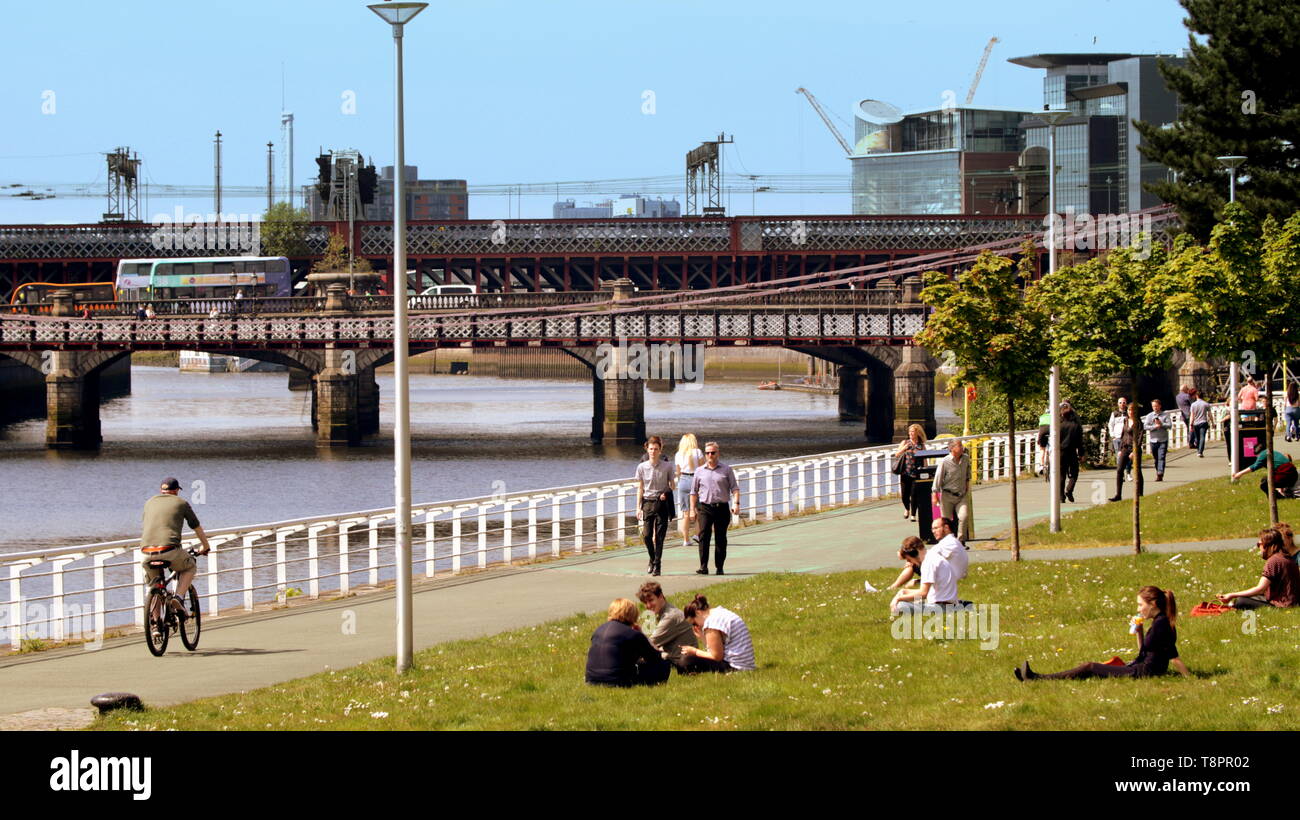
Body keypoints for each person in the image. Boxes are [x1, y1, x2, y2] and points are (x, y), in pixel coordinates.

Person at [1016, 586, 1190, 681]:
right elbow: (1144, 650)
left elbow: (1173, 656)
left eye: (1140, 605)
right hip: (1141, 667)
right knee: (1096, 668)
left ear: (1152, 604)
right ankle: (1037, 677)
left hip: (1144, 672)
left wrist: (1189, 678)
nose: (1138, 609)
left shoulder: (1162, 625)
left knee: (1091, 667)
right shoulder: (1159, 622)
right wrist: (1139, 631)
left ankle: (1039, 678)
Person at [139, 477, 212, 628]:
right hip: (169, 551)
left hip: (146, 552)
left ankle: (156, 623)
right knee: (189, 566)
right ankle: (178, 597)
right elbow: (196, 527)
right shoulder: (181, 503)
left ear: (161, 490)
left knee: (155, 584)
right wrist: (205, 546)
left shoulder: (149, 502)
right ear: (177, 490)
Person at [890, 517, 968, 616]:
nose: (911, 563)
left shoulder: (928, 562)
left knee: (901, 606)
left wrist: (898, 598)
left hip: (941, 607)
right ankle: (963, 605)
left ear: (915, 553)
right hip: (944, 603)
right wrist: (904, 592)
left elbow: (923, 593)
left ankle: (961, 606)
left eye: (909, 560)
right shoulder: (931, 557)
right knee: (904, 595)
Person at [584, 598, 670, 687]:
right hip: (617, 681)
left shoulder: (598, 630)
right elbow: (654, 658)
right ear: (632, 614)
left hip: (591, 680)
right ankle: (657, 685)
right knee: (664, 663)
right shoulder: (633, 634)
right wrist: (642, 635)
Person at [1216, 528, 1300, 609]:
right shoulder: (1286, 557)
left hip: (1282, 604)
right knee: (1251, 597)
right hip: (1293, 602)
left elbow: (1260, 589)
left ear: (1269, 546)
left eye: (1259, 544)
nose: (1258, 547)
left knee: (1240, 601)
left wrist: (1232, 595)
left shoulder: (1273, 561)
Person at [690, 441, 740, 576]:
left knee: (720, 538)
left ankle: (719, 567)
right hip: (705, 508)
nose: (710, 455)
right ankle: (703, 566)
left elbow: (734, 488)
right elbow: (693, 492)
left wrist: (736, 503)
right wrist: (692, 509)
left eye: (713, 452)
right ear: (705, 455)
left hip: (722, 507)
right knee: (703, 536)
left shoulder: (726, 469)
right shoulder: (699, 471)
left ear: (718, 453)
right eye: (707, 453)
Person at [678, 594, 756, 673]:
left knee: (686, 660)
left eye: (694, 623)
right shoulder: (719, 612)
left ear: (698, 613)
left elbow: (716, 656)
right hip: (745, 664)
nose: (696, 626)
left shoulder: (711, 623)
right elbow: (715, 650)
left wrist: (694, 651)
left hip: (735, 667)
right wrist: (703, 638)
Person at [635, 436, 675, 576]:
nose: (653, 452)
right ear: (647, 449)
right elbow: (640, 488)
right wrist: (638, 507)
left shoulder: (667, 466)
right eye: (651, 449)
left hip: (662, 503)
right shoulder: (641, 467)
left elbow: (672, 485)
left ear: (660, 450)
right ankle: (652, 559)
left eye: (656, 449)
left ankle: (657, 565)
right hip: (647, 502)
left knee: (659, 536)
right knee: (646, 536)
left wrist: (666, 492)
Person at [636, 581, 698, 672]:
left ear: (660, 596)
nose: (648, 606)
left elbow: (648, 645)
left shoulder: (670, 617)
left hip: (680, 662)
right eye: (645, 602)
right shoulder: (666, 611)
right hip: (676, 657)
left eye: (651, 600)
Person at [931, 439, 972, 542]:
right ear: (952, 448)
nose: (962, 448)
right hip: (947, 495)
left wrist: (967, 485)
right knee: (946, 522)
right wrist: (934, 494)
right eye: (959, 446)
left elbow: (968, 473)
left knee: (964, 516)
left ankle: (960, 541)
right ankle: (947, 542)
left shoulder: (966, 458)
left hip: (961, 495)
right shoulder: (945, 461)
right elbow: (938, 478)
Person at [673, 433, 704, 551]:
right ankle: (697, 534)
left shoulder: (678, 454)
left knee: (685, 513)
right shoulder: (698, 452)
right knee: (699, 510)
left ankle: (686, 540)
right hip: (696, 480)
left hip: (684, 481)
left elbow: (678, 471)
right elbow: (702, 468)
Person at [1230, 446, 1297, 498]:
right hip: (1293, 475)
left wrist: (1239, 474)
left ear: (1257, 454)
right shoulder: (1272, 452)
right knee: (1268, 478)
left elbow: (1254, 466)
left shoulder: (1263, 454)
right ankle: (1285, 493)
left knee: (1264, 483)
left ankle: (1279, 498)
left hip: (1286, 476)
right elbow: (1279, 471)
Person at [894, 424, 926, 521]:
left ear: (917, 433)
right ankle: (907, 508)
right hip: (905, 472)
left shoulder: (921, 445)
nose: (911, 433)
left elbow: (924, 458)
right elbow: (896, 454)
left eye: (913, 431)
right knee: (904, 494)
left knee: (914, 494)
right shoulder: (905, 442)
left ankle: (913, 514)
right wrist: (904, 449)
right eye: (910, 431)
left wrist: (925, 469)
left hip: (916, 472)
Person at [1109, 402, 1138, 502]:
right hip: (1125, 448)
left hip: (1133, 448)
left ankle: (1140, 493)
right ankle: (1118, 495)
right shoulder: (1125, 421)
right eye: (1129, 410)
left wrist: (1134, 451)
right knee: (1119, 470)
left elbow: (1139, 438)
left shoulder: (1138, 422)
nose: (1130, 412)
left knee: (1138, 472)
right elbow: (1123, 435)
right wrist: (1120, 449)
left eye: (1132, 410)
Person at [1058, 401, 1084, 503]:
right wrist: (1081, 453)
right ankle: (1069, 489)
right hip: (1072, 451)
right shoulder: (1075, 426)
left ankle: (1061, 497)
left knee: (1061, 475)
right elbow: (1079, 441)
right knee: (1074, 472)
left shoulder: (1058, 425)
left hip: (1060, 452)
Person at [1142, 398, 1172, 481]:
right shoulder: (1149, 416)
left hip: (1163, 440)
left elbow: (1169, 425)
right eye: (1153, 406)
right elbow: (1145, 426)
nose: (1155, 408)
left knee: (1161, 457)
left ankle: (1160, 473)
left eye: (1156, 406)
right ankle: (1158, 471)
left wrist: (1161, 424)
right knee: (1156, 458)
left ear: (1160, 406)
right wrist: (1154, 427)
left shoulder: (1165, 415)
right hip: (1153, 440)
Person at [1107, 397, 1133, 481]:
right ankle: (1120, 474)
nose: (1122, 404)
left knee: (1129, 456)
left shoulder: (1129, 413)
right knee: (1119, 456)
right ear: (1118, 404)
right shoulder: (1114, 414)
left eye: (1124, 402)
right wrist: (1112, 435)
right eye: (1120, 402)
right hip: (1117, 438)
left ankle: (1128, 473)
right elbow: (1110, 425)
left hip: (1126, 438)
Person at [1189, 389, 1211, 457]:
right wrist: (1213, 423)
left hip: (1196, 423)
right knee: (1202, 437)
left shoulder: (1193, 405)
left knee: (1197, 437)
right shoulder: (1206, 404)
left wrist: (1191, 424)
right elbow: (1210, 414)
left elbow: (1192, 415)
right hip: (1203, 422)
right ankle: (1200, 451)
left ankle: (1198, 450)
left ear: (1197, 396)